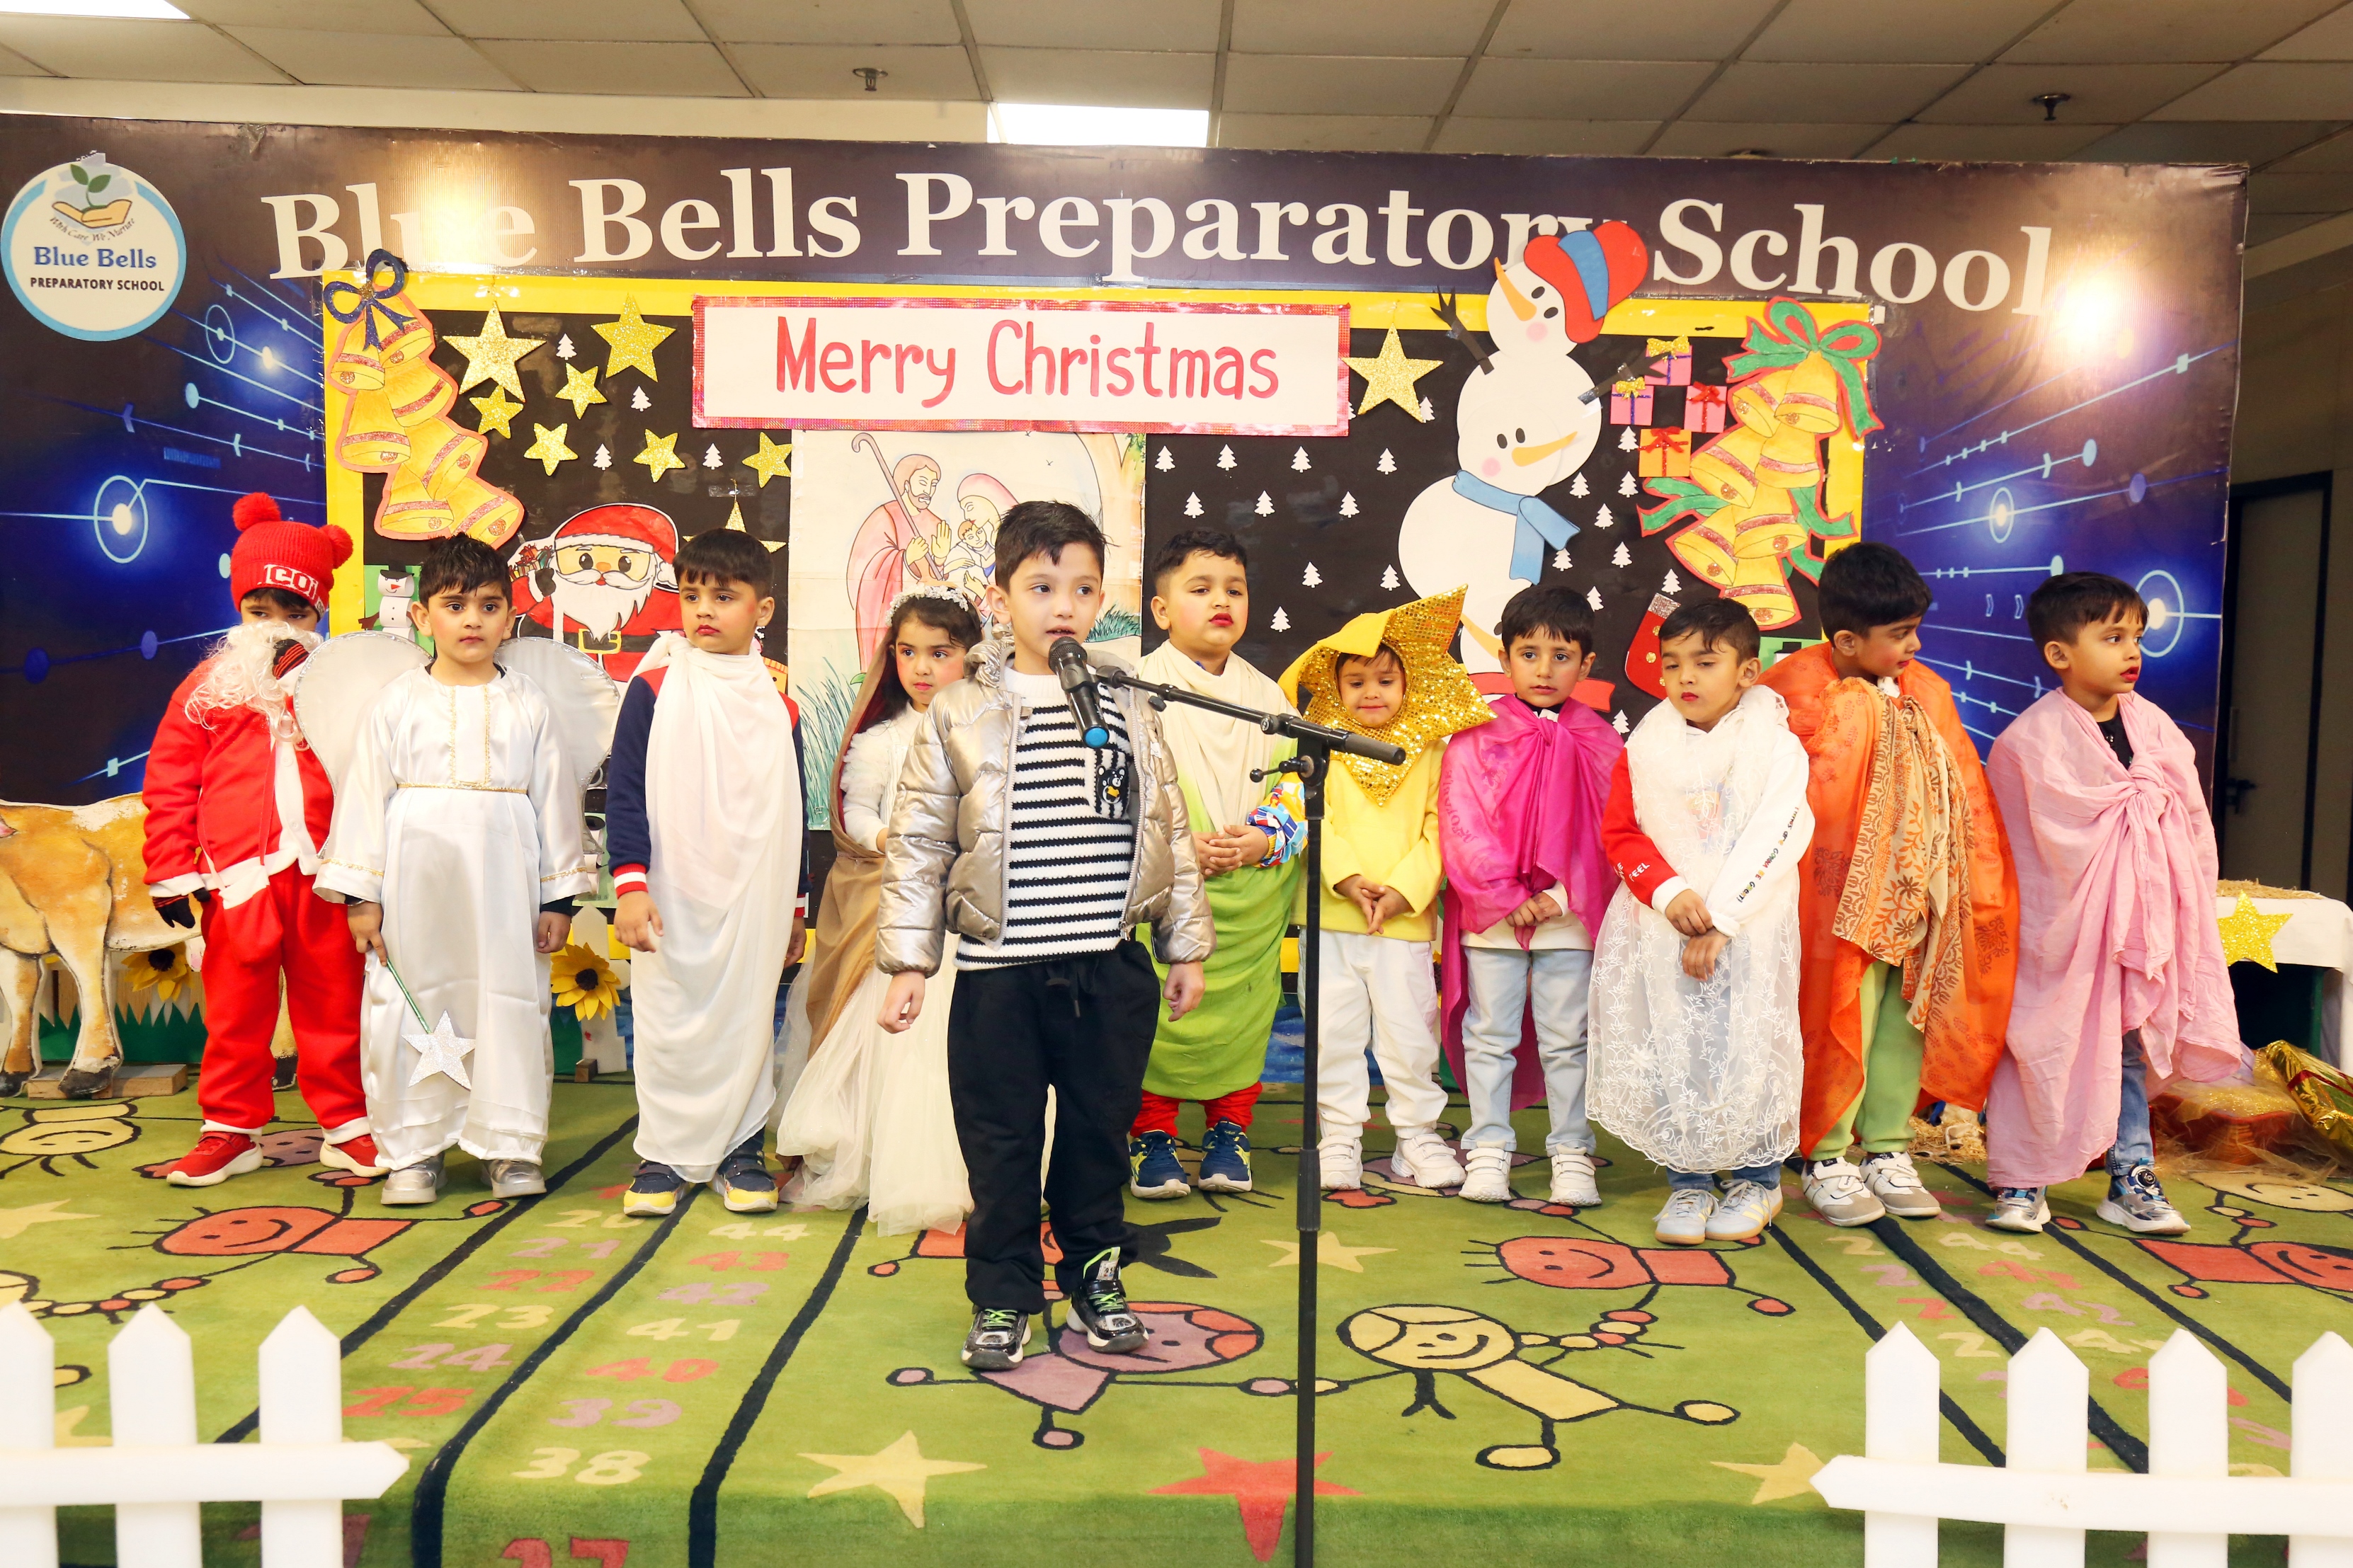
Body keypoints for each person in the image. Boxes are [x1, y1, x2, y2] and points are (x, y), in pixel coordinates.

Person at [875, 500, 1212, 1372]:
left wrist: (1183, 942)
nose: (1063, 605)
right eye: (1040, 587)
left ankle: (1096, 1276)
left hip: (1107, 965)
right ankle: (1003, 1294)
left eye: (1082, 589)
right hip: (1000, 974)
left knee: (1097, 1139)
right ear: (998, 598)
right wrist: (909, 961)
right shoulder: (958, 709)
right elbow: (918, 841)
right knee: (1002, 1144)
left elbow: (1167, 823)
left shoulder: (1127, 700)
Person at [317, 534, 598, 1205]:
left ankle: (510, 1145)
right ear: (421, 616)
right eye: (454, 605)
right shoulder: (396, 703)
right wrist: (362, 896)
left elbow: (556, 801)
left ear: (510, 617)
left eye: (489, 606)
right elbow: (364, 797)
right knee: (408, 1001)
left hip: (505, 887)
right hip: (414, 887)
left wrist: (558, 899)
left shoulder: (528, 704)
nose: (472, 620)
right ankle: (415, 1148)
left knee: (509, 1002)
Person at [1761, 543, 2018, 1227]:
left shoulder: (1927, 690)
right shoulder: (1791, 692)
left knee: (1907, 1017)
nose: (1915, 645)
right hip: (1833, 901)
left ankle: (1886, 1145)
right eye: (1900, 633)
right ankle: (1825, 1154)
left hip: (1920, 895)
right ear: (1847, 640)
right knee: (1840, 1015)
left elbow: (1963, 784)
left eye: (1915, 629)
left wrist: (1960, 881)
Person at [1983, 573, 2243, 1236]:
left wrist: (2185, 906)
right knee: (2040, 1043)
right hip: (2058, 929)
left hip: (2140, 927)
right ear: (2059, 654)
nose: (2131, 651)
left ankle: (2131, 1175)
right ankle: (2022, 1176)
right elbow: (2011, 850)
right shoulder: (2026, 742)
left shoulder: (2155, 727)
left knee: (2127, 1045)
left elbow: (2191, 826)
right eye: (2112, 637)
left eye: (2137, 637)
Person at [142, 492, 380, 1187]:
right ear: (239, 608)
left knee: (334, 1001)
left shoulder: (344, 686)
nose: (277, 625)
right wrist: (170, 868)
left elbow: (375, 775)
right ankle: (230, 1129)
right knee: (236, 1009)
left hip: (324, 872)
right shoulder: (208, 688)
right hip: (238, 874)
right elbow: (170, 779)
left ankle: (348, 1123)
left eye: (295, 610)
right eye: (259, 609)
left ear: (319, 613)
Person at [1590, 600, 1813, 1244]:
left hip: (1749, 924)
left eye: (1705, 662)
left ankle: (1757, 1179)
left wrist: (1723, 918)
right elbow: (1622, 832)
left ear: (1746, 671)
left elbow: (1779, 832)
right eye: (1671, 663)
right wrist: (1668, 895)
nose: (1684, 676)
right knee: (1677, 1044)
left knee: (1748, 1041)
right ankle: (1688, 1181)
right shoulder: (1646, 744)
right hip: (1666, 923)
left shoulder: (1776, 744)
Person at [607, 529, 809, 1218]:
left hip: (754, 892)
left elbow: (793, 808)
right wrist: (630, 885)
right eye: (692, 595)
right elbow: (625, 793)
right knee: (667, 1016)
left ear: (762, 609)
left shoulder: (781, 705)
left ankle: (741, 1149)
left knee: (747, 1018)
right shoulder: (654, 688)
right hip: (670, 890)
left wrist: (795, 908)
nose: (703, 610)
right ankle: (662, 1152)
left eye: (724, 596)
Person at [776, 583, 983, 1235]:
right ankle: (878, 1161)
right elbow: (858, 811)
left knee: (966, 1038)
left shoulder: (989, 731)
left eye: (940, 653)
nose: (922, 668)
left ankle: (972, 1166)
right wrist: (890, 838)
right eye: (908, 652)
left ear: (971, 655)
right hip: (897, 906)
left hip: (970, 909)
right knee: (892, 1037)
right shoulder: (882, 740)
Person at [1280, 587, 1491, 1194]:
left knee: (1409, 1034)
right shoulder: (1316, 745)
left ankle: (1416, 1136)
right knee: (1333, 1034)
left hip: (1401, 921)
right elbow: (1310, 817)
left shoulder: (1431, 751)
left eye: (1384, 679)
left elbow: (1442, 828)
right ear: (1335, 687)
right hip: (1330, 916)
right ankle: (1339, 1136)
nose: (1370, 691)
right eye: (1356, 681)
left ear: (1407, 684)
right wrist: (1347, 879)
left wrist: (1402, 890)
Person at [1127, 530, 1305, 1201]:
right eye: (1199, 589)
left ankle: (1230, 1132)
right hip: (1167, 887)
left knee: (1244, 1008)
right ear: (1161, 609)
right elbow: (1117, 791)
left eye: (1234, 589)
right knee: (1152, 1011)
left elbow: (1297, 786)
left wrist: (1261, 840)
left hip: (1250, 888)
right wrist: (1176, 850)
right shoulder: (1132, 689)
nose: (1221, 601)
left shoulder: (1270, 696)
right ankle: (1152, 1136)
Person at [1437, 583, 1621, 1206]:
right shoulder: (1475, 735)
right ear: (1505, 658)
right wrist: (1504, 893)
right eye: (1529, 653)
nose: (1544, 669)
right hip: (1492, 919)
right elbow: (1461, 820)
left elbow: (1609, 831)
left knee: (1567, 1038)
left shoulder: (1602, 742)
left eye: (1561, 656)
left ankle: (1571, 1151)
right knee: (1490, 1033)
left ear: (1585, 664)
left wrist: (1561, 894)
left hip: (1568, 918)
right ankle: (1488, 1147)